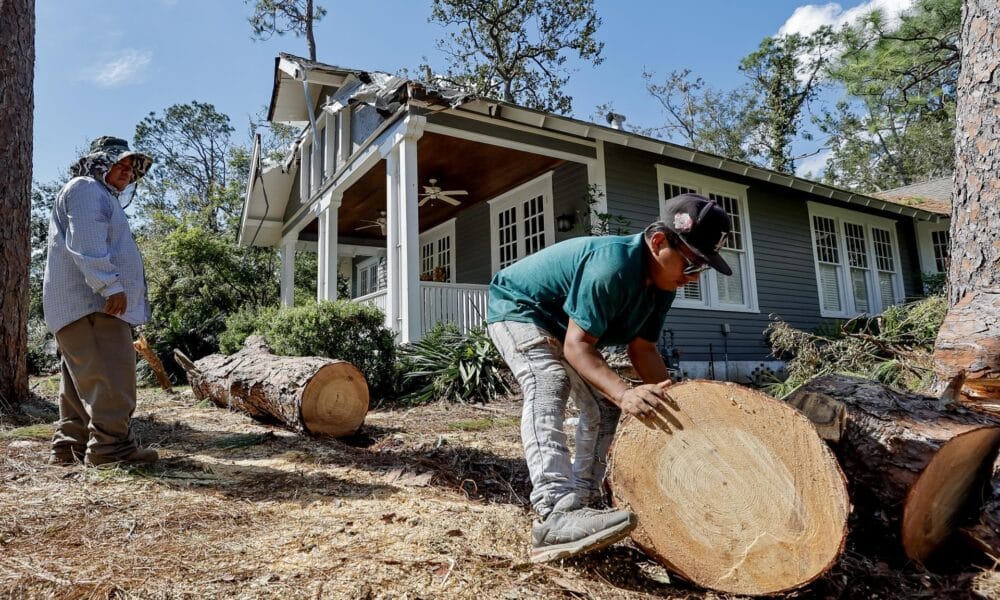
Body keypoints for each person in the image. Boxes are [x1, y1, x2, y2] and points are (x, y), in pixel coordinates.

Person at [486, 193, 733, 563]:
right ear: (659, 241)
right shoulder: (613, 267)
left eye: (702, 268)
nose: (692, 277)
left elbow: (644, 350)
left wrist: (681, 413)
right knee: (549, 380)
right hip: (520, 308)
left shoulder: (663, 285)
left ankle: (584, 502)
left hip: (565, 326)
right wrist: (625, 393)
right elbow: (577, 347)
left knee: (606, 407)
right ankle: (555, 511)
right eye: (691, 263)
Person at [43, 136, 157, 467]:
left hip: (80, 309)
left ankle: (69, 448)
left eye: (131, 169)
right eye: (119, 164)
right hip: (95, 306)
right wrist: (110, 286)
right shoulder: (86, 189)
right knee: (111, 378)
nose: (126, 173)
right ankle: (112, 451)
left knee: (80, 383)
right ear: (98, 163)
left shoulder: (91, 193)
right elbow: (88, 241)